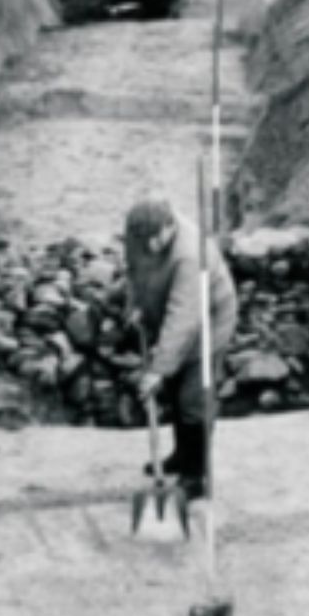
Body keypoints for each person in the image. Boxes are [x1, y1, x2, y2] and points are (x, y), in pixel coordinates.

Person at [124, 195, 237, 500]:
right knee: (174, 392)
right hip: (172, 315)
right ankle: (179, 457)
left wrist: (157, 370)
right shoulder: (138, 232)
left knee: (193, 398)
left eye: (154, 240)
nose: (148, 247)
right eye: (142, 240)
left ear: (170, 226)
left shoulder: (191, 255)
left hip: (208, 322)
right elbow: (133, 272)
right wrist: (135, 306)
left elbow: (184, 317)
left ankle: (195, 477)